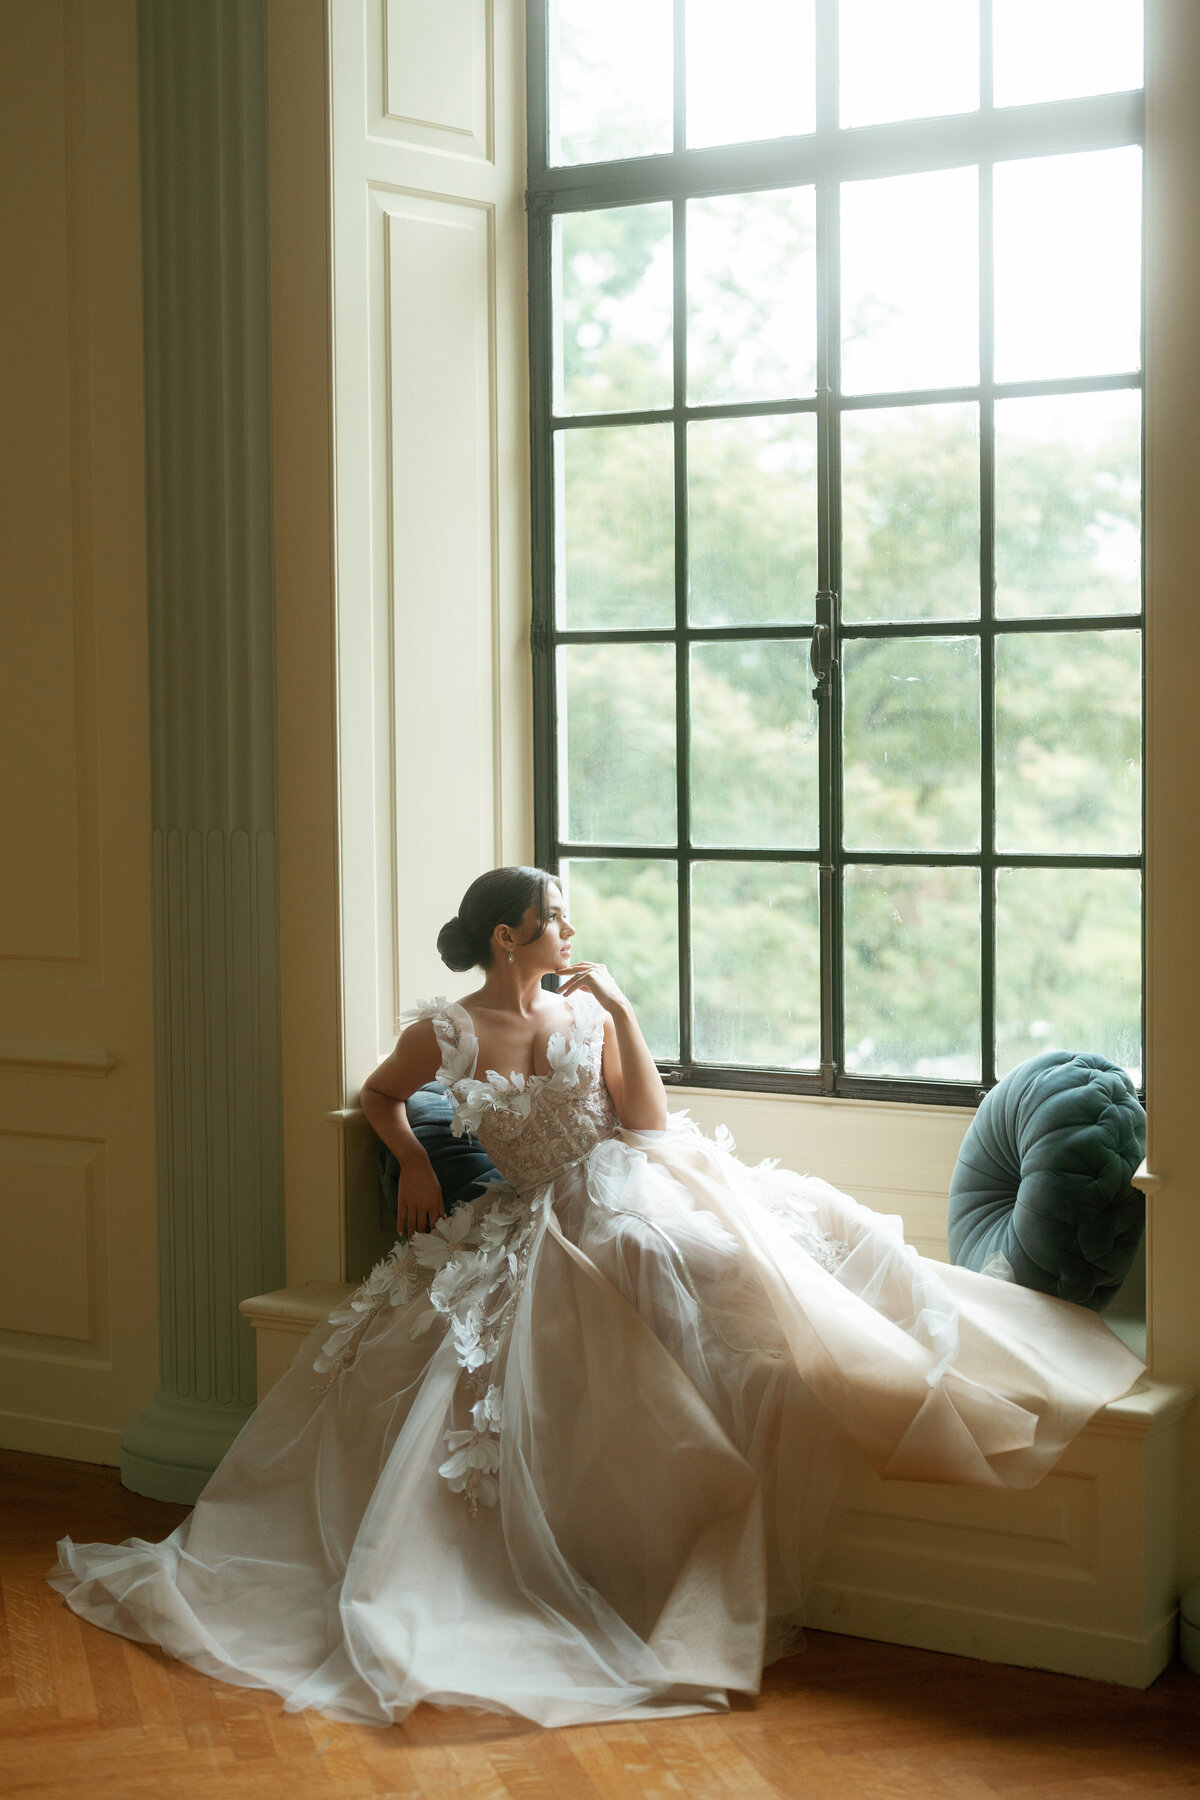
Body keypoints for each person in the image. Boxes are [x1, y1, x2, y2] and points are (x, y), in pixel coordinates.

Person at [50, 865, 1143, 1729]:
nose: (570, 935)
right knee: (628, 1291)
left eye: (567, 921)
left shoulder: (579, 1010)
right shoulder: (448, 1030)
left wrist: (618, 1010)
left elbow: (649, 1123)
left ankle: (913, 1355)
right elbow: (385, 1100)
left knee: (790, 1243)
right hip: (535, 1218)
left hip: (632, 1180)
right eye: (554, 922)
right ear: (505, 940)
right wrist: (418, 1162)